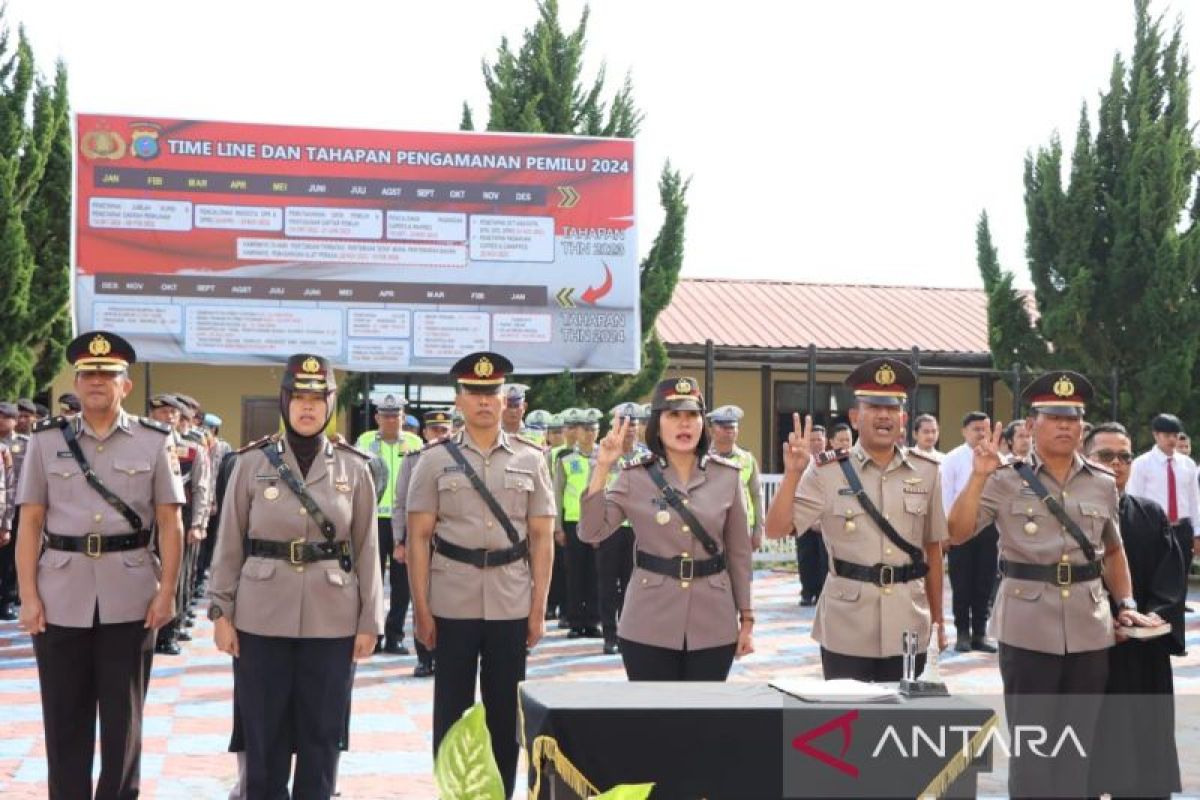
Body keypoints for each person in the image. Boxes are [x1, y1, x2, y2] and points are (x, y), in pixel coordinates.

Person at [946, 371, 1158, 798]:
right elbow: (957, 531)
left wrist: (1127, 602)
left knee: (1078, 747)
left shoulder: (1101, 482)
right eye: (1054, 416)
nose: (1065, 425)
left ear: (1082, 426)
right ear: (1031, 425)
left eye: (1073, 417)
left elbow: (1112, 551)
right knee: (1033, 750)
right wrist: (978, 477)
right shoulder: (1005, 479)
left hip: (1088, 626)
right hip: (1027, 626)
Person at [15, 331, 185, 799]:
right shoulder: (47, 441)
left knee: (123, 723)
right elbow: (30, 522)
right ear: (76, 379)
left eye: (108, 375)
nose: (96, 382)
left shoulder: (154, 441)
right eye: (89, 374)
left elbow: (171, 523)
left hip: (130, 595)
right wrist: (28, 596)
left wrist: (167, 590)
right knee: (64, 720)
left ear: (125, 385)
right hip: (60, 595)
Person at [208, 353, 383, 799]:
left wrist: (370, 622)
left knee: (322, 735)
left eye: (317, 398)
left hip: (333, 618)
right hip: (260, 616)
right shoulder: (249, 464)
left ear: (330, 404)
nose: (307, 407)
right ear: (284, 402)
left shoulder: (354, 467)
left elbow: (367, 549)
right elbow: (229, 544)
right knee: (263, 735)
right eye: (299, 397)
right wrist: (220, 611)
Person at [406, 352, 554, 800]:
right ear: (459, 399)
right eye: (475, 393)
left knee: (505, 714)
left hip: (510, 599)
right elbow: (417, 538)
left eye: (492, 392)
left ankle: (499, 794)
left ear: (504, 397)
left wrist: (539, 608)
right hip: (451, 598)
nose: (485, 401)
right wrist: (421, 609)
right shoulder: (433, 460)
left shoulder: (531, 459)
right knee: (450, 710)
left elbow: (542, 538)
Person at [770, 358, 947, 681]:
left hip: (908, 622)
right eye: (873, 407)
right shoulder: (826, 471)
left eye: (892, 409)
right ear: (854, 417)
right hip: (846, 624)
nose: (883, 415)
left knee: (900, 727)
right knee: (848, 725)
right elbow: (777, 529)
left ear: (903, 418)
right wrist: (792, 474)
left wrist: (938, 622)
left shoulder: (927, 471)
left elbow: (932, 550)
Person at [580, 377, 753, 680]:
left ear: (704, 423)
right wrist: (603, 467)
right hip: (648, 619)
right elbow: (591, 532)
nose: (683, 425)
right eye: (673, 415)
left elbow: (739, 554)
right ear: (657, 424)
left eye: (691, 415)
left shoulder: (727, 477)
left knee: (705, 720)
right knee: (653, 722)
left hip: (713, 619)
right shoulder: (635, 476)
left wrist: (747, 617)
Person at [1084, 422, 1185, 798]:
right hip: (1088, 651)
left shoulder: (1150, 514)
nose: (1117, 464)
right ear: (1086, 459)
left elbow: (1170, 582)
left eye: (1124, 456)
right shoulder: (1070, 515)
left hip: (1144, 655)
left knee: (1145, 763)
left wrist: (1153, 617)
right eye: (1106, 455)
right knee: (1089, 758)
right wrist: (1102, 622)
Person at [356, 394, 423, 654]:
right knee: (370, 580)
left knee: (401, 583)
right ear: (377, 418)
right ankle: (372, 633)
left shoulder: (416, 443)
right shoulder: (364, 442)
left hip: (404, 520)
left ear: (403, 417)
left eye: (396, 415)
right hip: (371, 518)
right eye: (385, 415)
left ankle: (394, 636)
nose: (391, 420)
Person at [390, 408, 453, 678]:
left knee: (449, 599)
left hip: (450, 543)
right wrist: (399, 541)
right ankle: (424, 657)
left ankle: (446, 655)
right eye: (434, 430)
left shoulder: (461, 458)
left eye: (443, 430)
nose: (438, 435)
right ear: (425, 432)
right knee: (420, 597)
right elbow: (400, 502)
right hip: (419, 541)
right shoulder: (413, 460)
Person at [147, 393, 209, 656]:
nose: (168, 417)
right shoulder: (139, 446)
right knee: (146, 575)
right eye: (162, 413)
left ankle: (168, 634)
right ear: (152, 415)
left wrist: (198, 522)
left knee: (177, 576)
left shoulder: (191, 449)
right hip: (145, 519)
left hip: (178, 517)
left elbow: (201, 488)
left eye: (173, 413)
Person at [939, 411, 999, 652]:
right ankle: (963, 632)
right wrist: (944, 531)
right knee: (961, 583)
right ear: (964, 431)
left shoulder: (999, 458)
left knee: (985, 581)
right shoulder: (952, 458)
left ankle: (980, 634)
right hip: (959, 529)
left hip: (989, 530)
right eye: (976, 428)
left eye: (985, 428)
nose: (981, 433)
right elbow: (945, 495)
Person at [593, 402, 648, 655]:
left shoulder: (647, 457)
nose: (629, 430)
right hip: (610, 529)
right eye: (623, 425)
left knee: (632, 584)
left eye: (633, 425)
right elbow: (593, 490)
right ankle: (609, 635)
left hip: (637, 530)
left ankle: (629, 633)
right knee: (607, 584)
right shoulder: (603, 454)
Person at [1128, 413, 1200, 576]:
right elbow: (1134, 501)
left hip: (1182, 528)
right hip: (1154, 529)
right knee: (1155, 576)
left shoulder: (1187, 464)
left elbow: (1194, 501)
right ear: (1156, 435)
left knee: (1180, 577)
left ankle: (1179, 603)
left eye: (1175, 435)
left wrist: (1197, 533)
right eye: (1167, 435)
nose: (1172, 440)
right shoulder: (1142, 464)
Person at [555, 408, 604, 638]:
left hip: (597, 523)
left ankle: (593, 621)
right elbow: (557, 493)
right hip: (573, 522)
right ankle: (575, 621)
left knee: (595, 573)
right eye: (585, 429)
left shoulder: (604, 457)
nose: (589, 434)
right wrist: (557, 526)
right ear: (577, 431)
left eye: (593, 429)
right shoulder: (566, 458)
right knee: (574, 573)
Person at [707, 405, 765, 550]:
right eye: (724, 427)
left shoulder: (747, 459)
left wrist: (759, 529)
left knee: (741, 570)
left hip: (743, 527)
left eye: (732, 427)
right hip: (710, 527)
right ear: (712, 430)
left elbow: (756, 495)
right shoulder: (702, 459)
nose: (729, 431)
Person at [792, 424, 830, 606]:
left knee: (824, 559)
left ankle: (823, 593)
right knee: (806, 558)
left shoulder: (832, 463)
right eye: (812, 439)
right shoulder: (801, 463)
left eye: (819, 439)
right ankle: (807, 592)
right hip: (804, 518)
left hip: (825, 520)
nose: (816, 443)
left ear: (826, 441)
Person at [0, 401, 28, 620]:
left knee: (10, 557)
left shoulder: (25, 444)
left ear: (13, 420)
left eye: (4, 416)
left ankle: (8, 599)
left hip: (16, 506)